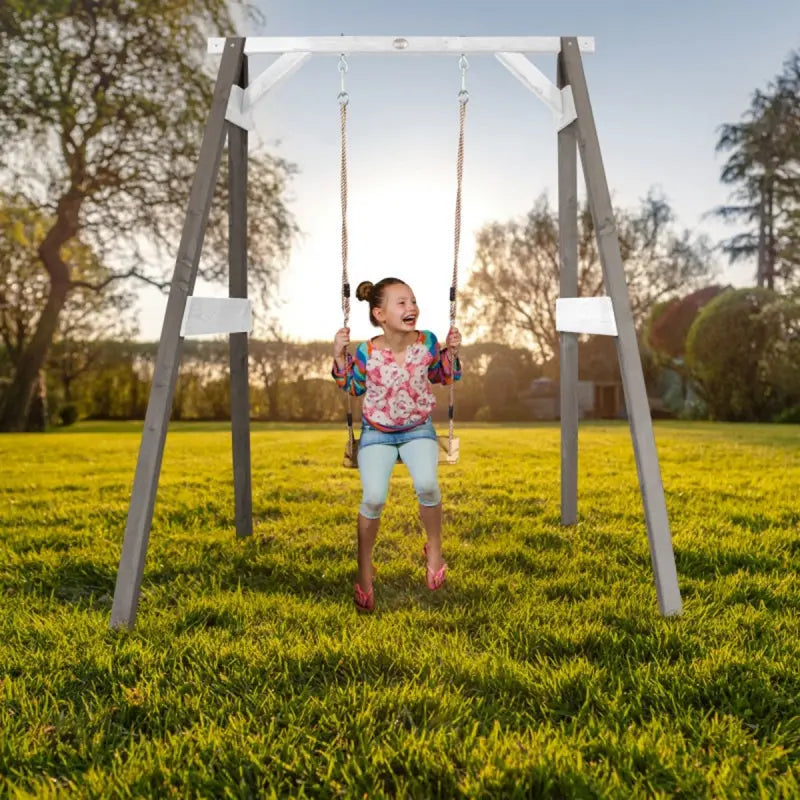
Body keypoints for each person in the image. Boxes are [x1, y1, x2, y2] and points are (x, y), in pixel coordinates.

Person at [332, 277, 462, 613]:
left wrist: (452, 352)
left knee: (428, 486)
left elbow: (444, 377)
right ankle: (364, 567)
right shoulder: (366, 352)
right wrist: (337, 353)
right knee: (373, 497)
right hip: (377, 433)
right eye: (401, 303)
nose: (412, 308)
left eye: (413, 301)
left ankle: (433, 551)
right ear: (379, 313)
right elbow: (351, 387)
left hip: (418, 428)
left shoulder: (428, 342)